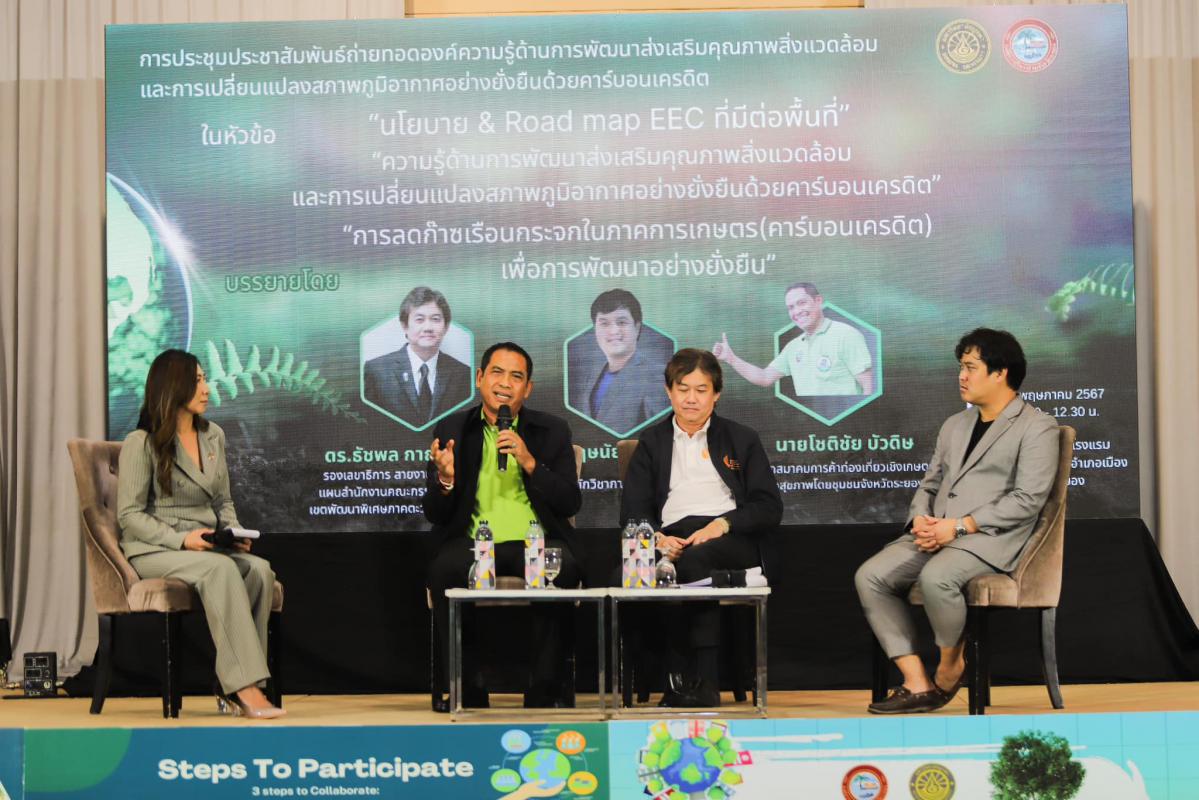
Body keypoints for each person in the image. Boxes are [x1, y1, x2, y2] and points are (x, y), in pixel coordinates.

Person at [855, 328, 1059, 714]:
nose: (961, 376)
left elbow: (1027, 500)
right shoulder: (954, 425)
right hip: (938, 532)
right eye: (960, 367)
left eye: (970, 367)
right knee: (871, 576)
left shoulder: (1037, 426)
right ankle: (917, 682)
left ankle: (950, 666)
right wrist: (920, 520)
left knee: (938, 578)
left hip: (990, 539)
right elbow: (930, 484)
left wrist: (960, 526)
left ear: (1000, 373)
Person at [116, 349, 284, 719]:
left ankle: (231, 683)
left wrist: (232, 532)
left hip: (206, 545)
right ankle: (245, 687)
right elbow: (129, 516)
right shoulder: (140, 443)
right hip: (155, 548)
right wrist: (182, 540)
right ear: (172, 386)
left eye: (205, 379)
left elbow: (223, 500)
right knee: (220, 570)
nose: (206, 388)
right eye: (197, 381)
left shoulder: (213, 436)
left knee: (259, 570)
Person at [424, 342, 583, 712]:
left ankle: (545, 689)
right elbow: (435, 512)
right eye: (497, 373)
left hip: (536, 542)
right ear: (480, 378)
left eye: (516, 377)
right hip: (473, 542)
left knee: (563, 568)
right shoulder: (453, 429)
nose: (505, 384)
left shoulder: (552, 431)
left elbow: (569, 503)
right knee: (444, 569)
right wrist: (445, 480)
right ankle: (467, 689)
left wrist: (530, 462)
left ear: (527, 388)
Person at [620, 348, 783, 707]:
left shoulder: (741, 438)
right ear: (669, 392)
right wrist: (657, 538)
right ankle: (674, 682)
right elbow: (633, 510)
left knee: (695, 563)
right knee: (632, 571)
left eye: (701, 390)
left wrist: (722, 524)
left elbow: (769, 506)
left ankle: (703, 683)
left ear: (716, 394)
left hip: (729, 536)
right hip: (669, 535)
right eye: (682, 389)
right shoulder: (652, 442)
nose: (691, 398)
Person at [714, 282, 874, 396]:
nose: (797, 311)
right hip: (811, 428)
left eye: (802, 303)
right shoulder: (793, 347)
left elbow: (869, 387)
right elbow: (764, 378)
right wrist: (731, 359)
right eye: (791, 307)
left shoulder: (846, 334)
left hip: (845, 428)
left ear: (818, 301)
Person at [364, 286, 472, 425]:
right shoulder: (376, 371)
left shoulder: (462, 373)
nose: (428, 328)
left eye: (435, 319)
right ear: (404, 325)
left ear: (446, 327)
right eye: (419, 319)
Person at [567, 289, 670, 435]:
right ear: (595, 329)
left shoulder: (657, 375)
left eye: (621, 322)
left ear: (637, 327)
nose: (613, 331)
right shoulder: (592, 377)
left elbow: (660, 433)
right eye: (604, 323)